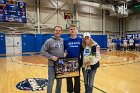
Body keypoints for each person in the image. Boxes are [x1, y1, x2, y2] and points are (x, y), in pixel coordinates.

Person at [41, 26, 64, 93]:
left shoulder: (62, 40)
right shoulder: (49, 41)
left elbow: (65, 49)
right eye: (56, 30)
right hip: (52, 66)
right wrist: (51, 57)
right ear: (54, 31)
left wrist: (65, 52)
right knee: (50, 83)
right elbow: (42, 51)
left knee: (59, 82)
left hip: (60, 65)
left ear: (61, 32)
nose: (57, 32)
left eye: (59, 30)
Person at [64, 24, 82, 93]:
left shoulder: (80, 40)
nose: (72, 30)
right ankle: (70, 91)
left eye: (74, 29)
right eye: (71, 29)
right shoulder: (66, 40)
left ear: (76, 30)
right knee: (68, 78)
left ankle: (77, 91)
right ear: (69, 31)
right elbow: (63, 50)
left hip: (77, 61)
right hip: (68, 62)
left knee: (77, 78)